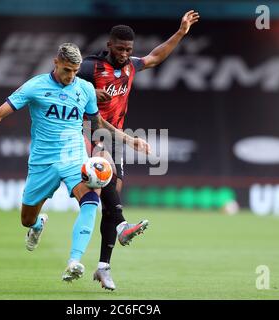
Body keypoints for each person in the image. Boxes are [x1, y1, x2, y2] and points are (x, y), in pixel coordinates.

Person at [0, 43, 150, 282]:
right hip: (43, 162)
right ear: (56, 63)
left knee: (92, 197)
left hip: (74, 156)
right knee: (26, 219)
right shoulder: (35, 86)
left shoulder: (84, 88)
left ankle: (74, 261)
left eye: (74, 71)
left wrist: (129, 139)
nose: (71, 76)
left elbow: (98, 123)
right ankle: (38, 223)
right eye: (66, 70)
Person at [78, 10, 200, 290]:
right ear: (109, 45)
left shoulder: (131, 66)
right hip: (88, 132)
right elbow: (62, 77)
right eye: (119, 48)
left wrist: (181, 32)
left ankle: (103, 267)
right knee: (106, 181)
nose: (124, 53)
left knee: (111, 202)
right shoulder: (90, 67)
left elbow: (155, 57)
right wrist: (87, 92)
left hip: (116, 138)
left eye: (128, 49)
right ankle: (123, 227)